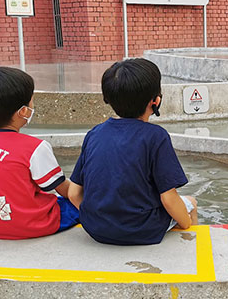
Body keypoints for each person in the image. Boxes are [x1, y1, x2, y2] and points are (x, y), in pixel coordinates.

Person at [68, 59, 198, 245]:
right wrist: (185, 223)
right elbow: (168, 198)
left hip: (94, 228)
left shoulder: (94, 134)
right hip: (143, 229)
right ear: (155, 101)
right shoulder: (156, 137)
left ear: (108, 99)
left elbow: (74, 194)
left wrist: (100, 220)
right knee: (191, 204)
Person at [0, 67, 79, 239]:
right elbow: (64, 190)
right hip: (30, 225)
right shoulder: (34, 148)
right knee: (74, 202)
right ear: (23, 111)